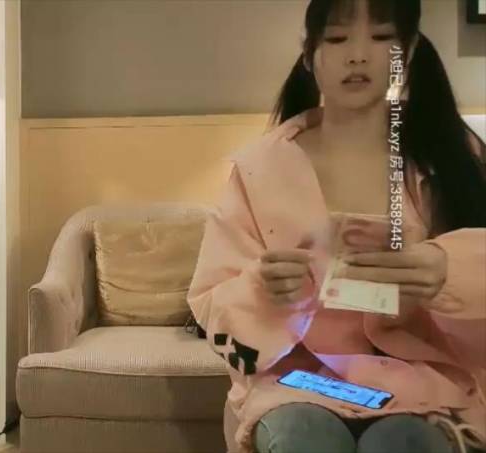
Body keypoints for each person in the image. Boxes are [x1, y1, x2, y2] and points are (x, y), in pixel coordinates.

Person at [186, 1, 486, 452]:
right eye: (338, 38)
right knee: (304, 438)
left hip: (426, 386)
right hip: (296, 384)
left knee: (404, 442)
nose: (358, 55)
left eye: (381, 37)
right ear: (310, 55)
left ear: (408, 52)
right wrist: (262, 290)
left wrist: (449, 271)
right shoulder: (259, 169)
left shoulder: (451, 155)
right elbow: (210, 305)